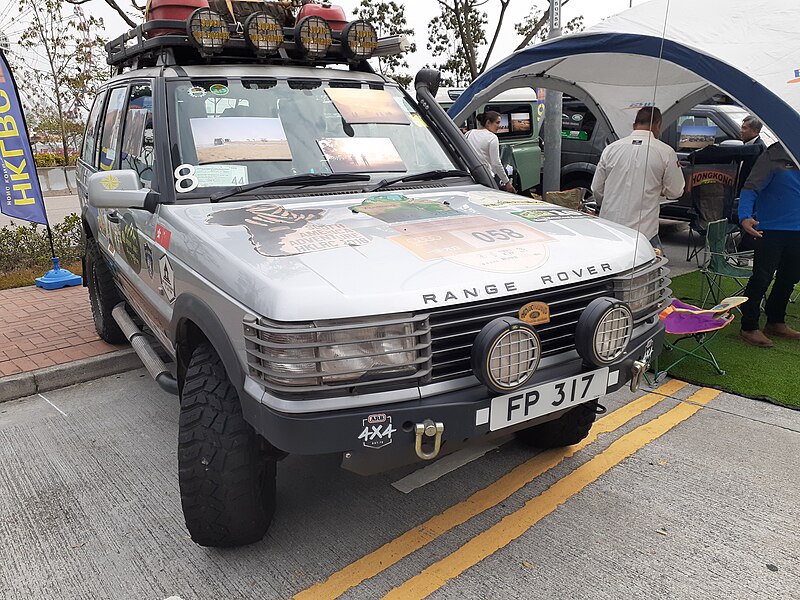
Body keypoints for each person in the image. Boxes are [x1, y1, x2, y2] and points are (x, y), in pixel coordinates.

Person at [591, 107, 685, 251]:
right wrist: (661, 190)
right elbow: (676, 191)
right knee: (651, 269)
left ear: (634, 125)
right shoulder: (665, 152)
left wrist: (605, 203)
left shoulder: (611, 149)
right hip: (644, 231)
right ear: (657, 124)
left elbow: (596, 188)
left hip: (610, 226)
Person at [737, 143, 800, 347]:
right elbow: (751, 188)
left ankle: (775, 321)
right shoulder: (774, 155)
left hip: (797, 231)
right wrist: (745, 216)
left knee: (788, 278)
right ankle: (749, 326)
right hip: (771, 229)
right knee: (761, 278)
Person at [465, 111, 516, 193]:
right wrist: (507, 182)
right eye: (497, 123)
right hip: (486, 177)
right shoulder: (492, 138)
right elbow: (496, 163)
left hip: (469, 176)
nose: (499, 126)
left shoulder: (469, 133)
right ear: (488, 122)